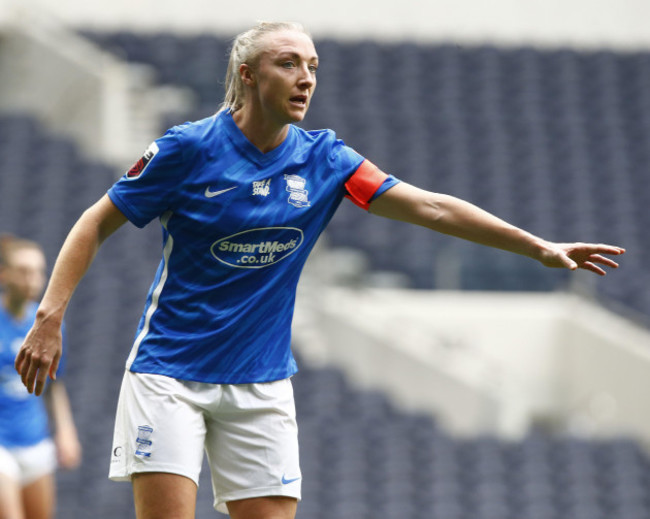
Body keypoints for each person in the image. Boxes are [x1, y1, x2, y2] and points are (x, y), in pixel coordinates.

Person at [14, 21, 624, 519]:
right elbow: (94, 222)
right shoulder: (187, 149)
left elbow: (432, 207)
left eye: (312, 66)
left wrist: (537, 246)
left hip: (262, 382)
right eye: (288, 64)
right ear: (247, 75)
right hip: (169, 376)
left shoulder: (327, 158)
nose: (305, 78)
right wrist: (50, 315)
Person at [0, 235, 81, 519]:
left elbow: (54, 384)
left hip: (35, 438)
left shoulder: (48, 325)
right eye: (23, 271)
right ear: (4, 274)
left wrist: (66, 431)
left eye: (38, 271)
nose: (32, 279)